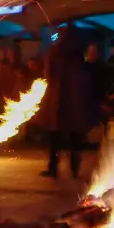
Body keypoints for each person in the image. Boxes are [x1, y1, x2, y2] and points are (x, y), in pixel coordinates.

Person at [39, 28, 92, 179]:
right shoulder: (78, 54)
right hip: (75, 102)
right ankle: (75, 169)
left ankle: (53, 167)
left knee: (54, 138)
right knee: (75, 138)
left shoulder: (54, 52)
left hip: (58, 101)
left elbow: (48, 74)